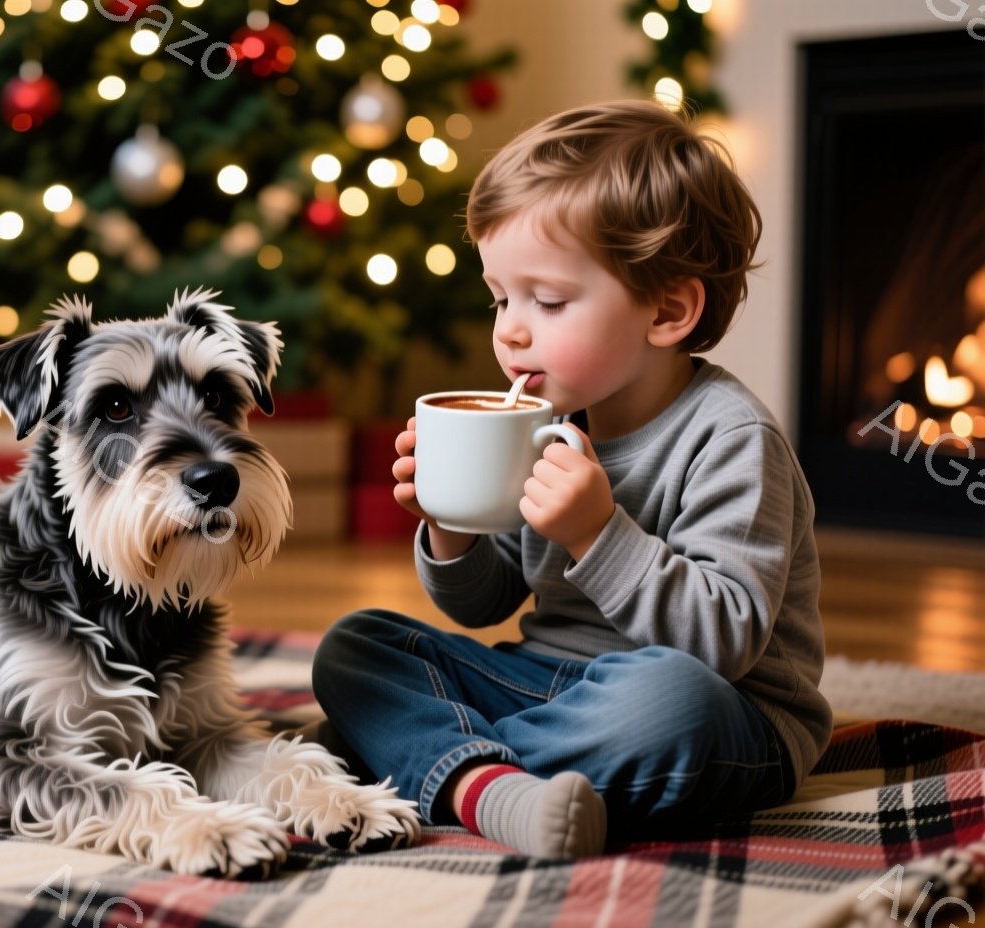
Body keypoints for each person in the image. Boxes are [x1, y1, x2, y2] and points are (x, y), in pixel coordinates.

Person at [309, 100, 832, 858]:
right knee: (356, 647)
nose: (510, 329)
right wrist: (450, 529)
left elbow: (723, 643)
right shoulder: (554, 419)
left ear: (668, 309)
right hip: (544, 681)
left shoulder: (731, 437)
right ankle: (482, 782)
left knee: (666, 703)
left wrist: (597, 533)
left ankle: (424, 756)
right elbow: (490, 604)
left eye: (548, 301)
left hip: (724, 711)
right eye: (501, 298)